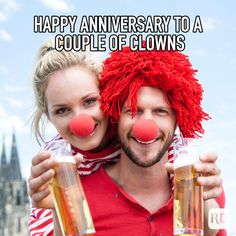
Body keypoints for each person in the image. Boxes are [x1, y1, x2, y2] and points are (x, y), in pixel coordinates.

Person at [28, 42, 225, 236]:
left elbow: (218, 226)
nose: (81, 121)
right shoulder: (62, 172)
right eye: (132, 110)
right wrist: (59, 208)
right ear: (116, 114)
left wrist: (204, 199)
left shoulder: (199, 180)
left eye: (160, 111)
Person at [28, 39, 120, 235]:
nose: (80, 121)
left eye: (89, 101)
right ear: (49, 117)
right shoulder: (51, 166)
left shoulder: (136, 139)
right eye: (62, 110)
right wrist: (57, 209)